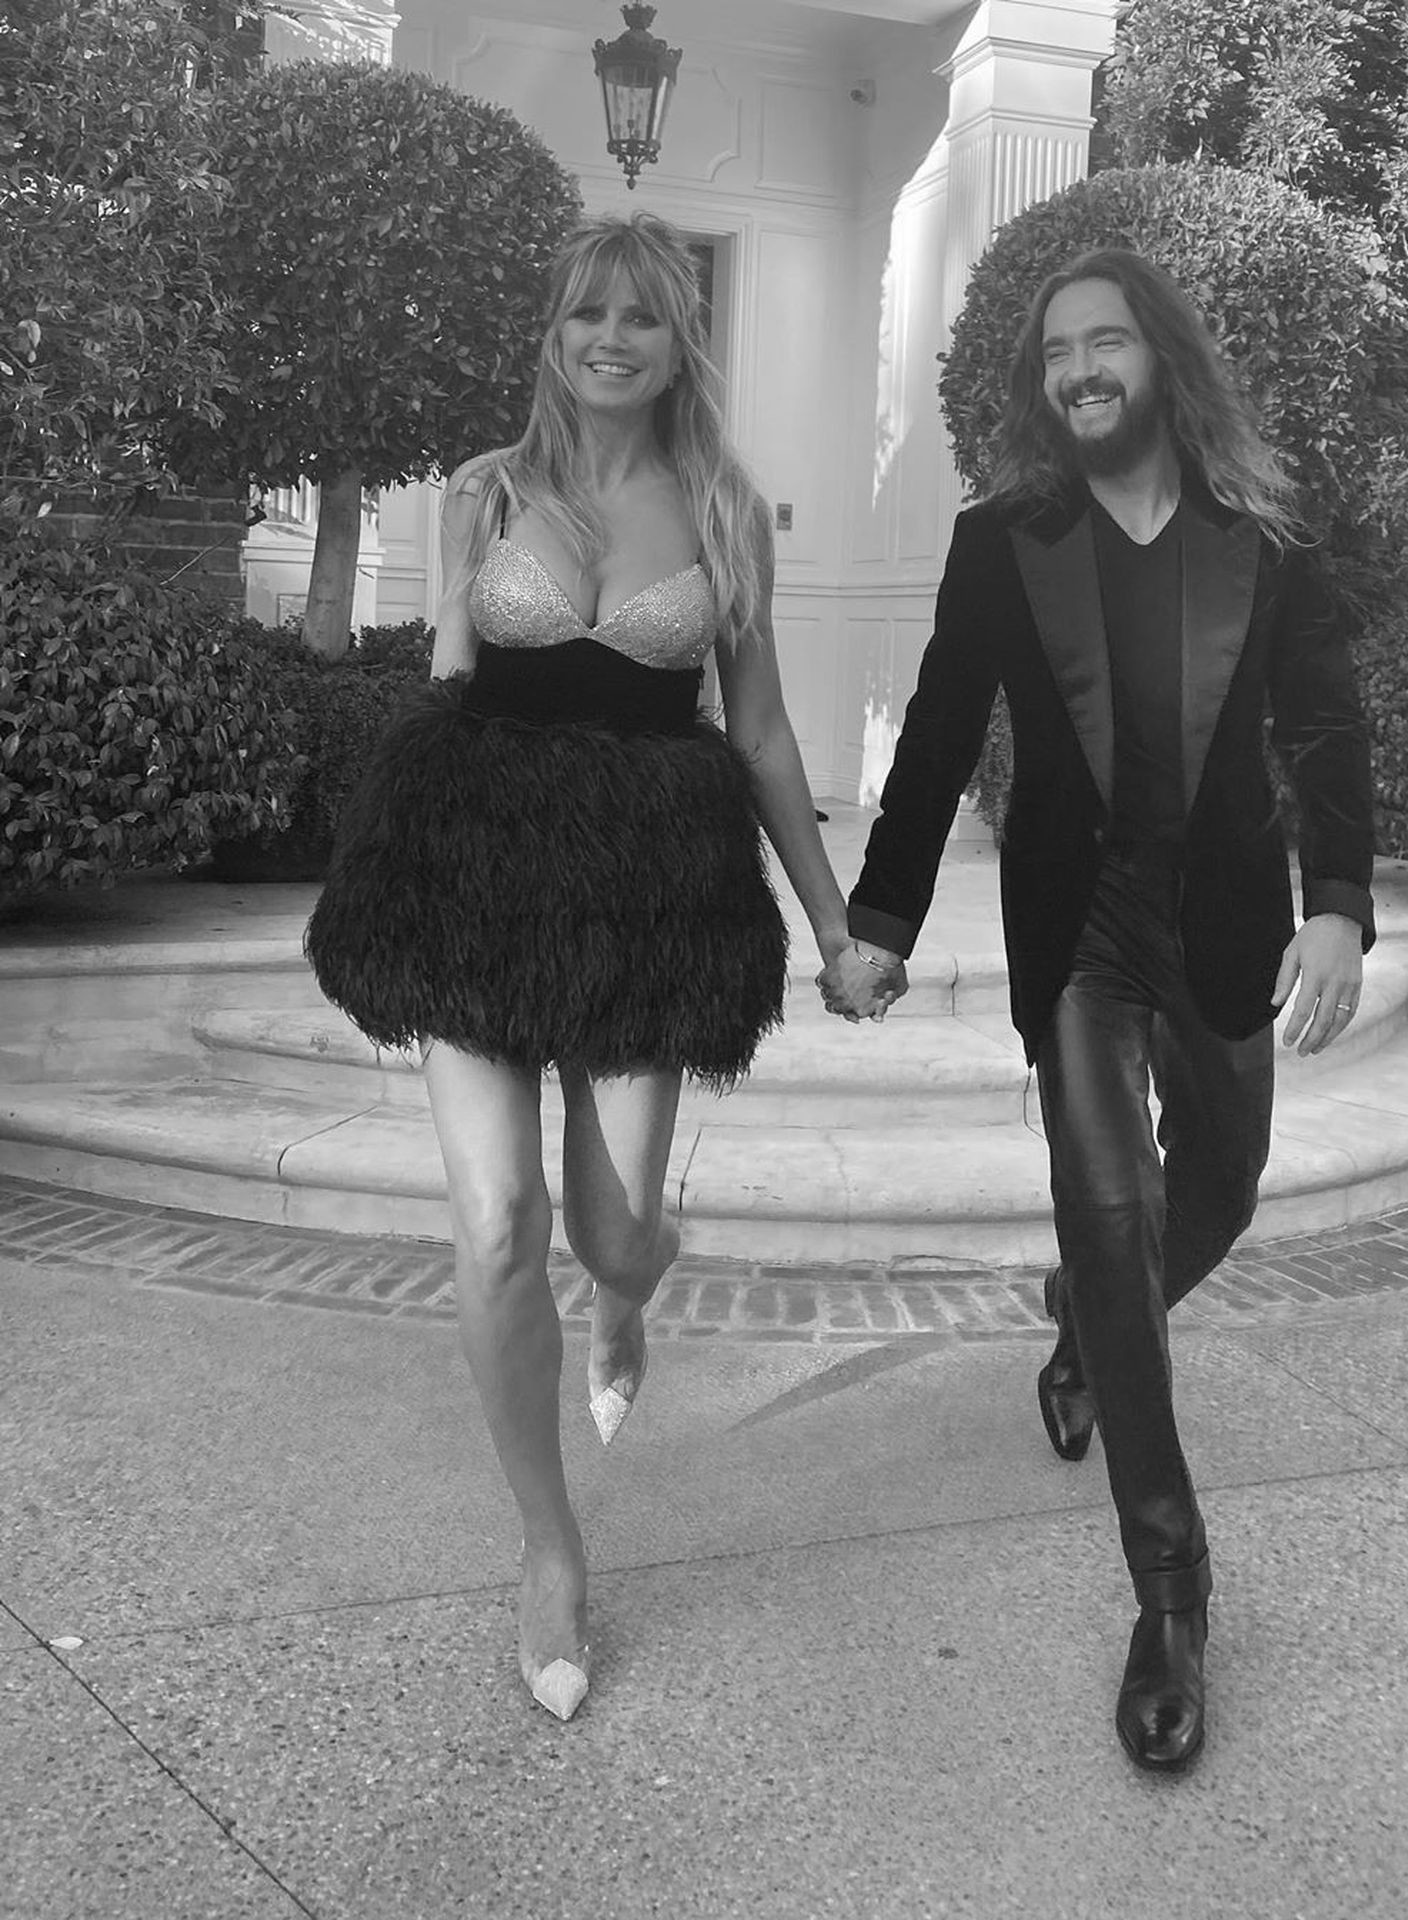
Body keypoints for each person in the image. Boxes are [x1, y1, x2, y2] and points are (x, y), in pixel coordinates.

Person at [306, 212, 889, 1722]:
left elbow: (761, 731)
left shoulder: (725, 508)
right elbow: (448, 693)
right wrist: (391, 872)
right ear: (552, 333)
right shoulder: (483, 493)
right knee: (499, 1220)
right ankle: (551, 1548)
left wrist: (833, 926)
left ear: (679, 341)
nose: (610, 340)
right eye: (584, 314)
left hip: (645, 900)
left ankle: (627, 1300)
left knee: (611, 1237)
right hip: (481, 888)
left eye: (640, 316)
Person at [830, 249, 1376, 1772]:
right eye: (1057, 350)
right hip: (1077, 929)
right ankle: (1171, 1595)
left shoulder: (1262, 532)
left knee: (1222, 1190)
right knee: (1113, 1208)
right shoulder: (1004, 539)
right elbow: (939, 730)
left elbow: (1326, 724)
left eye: (1106, 341)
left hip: (1220, 923)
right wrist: (880, 921)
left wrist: (1338, 904)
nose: (1079, 369)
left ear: (1161, 356)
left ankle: (1086, 1329)